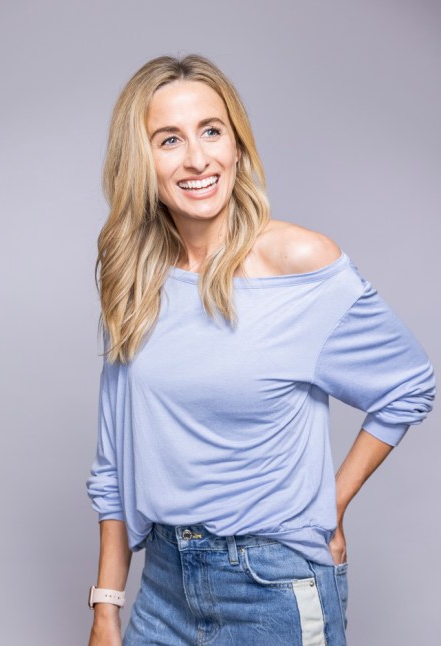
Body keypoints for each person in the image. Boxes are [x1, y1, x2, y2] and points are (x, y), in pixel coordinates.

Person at [85, 54, 435, 646]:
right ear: (141, 162)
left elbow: (409, 385)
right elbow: (113, 464)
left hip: (271, 587)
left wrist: (331, 503)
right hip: (164, 584)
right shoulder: (137, 277)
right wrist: (107, 605)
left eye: (211, 131)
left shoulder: (299, 263)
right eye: (169, 139)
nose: (197, 158)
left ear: (238, 147)